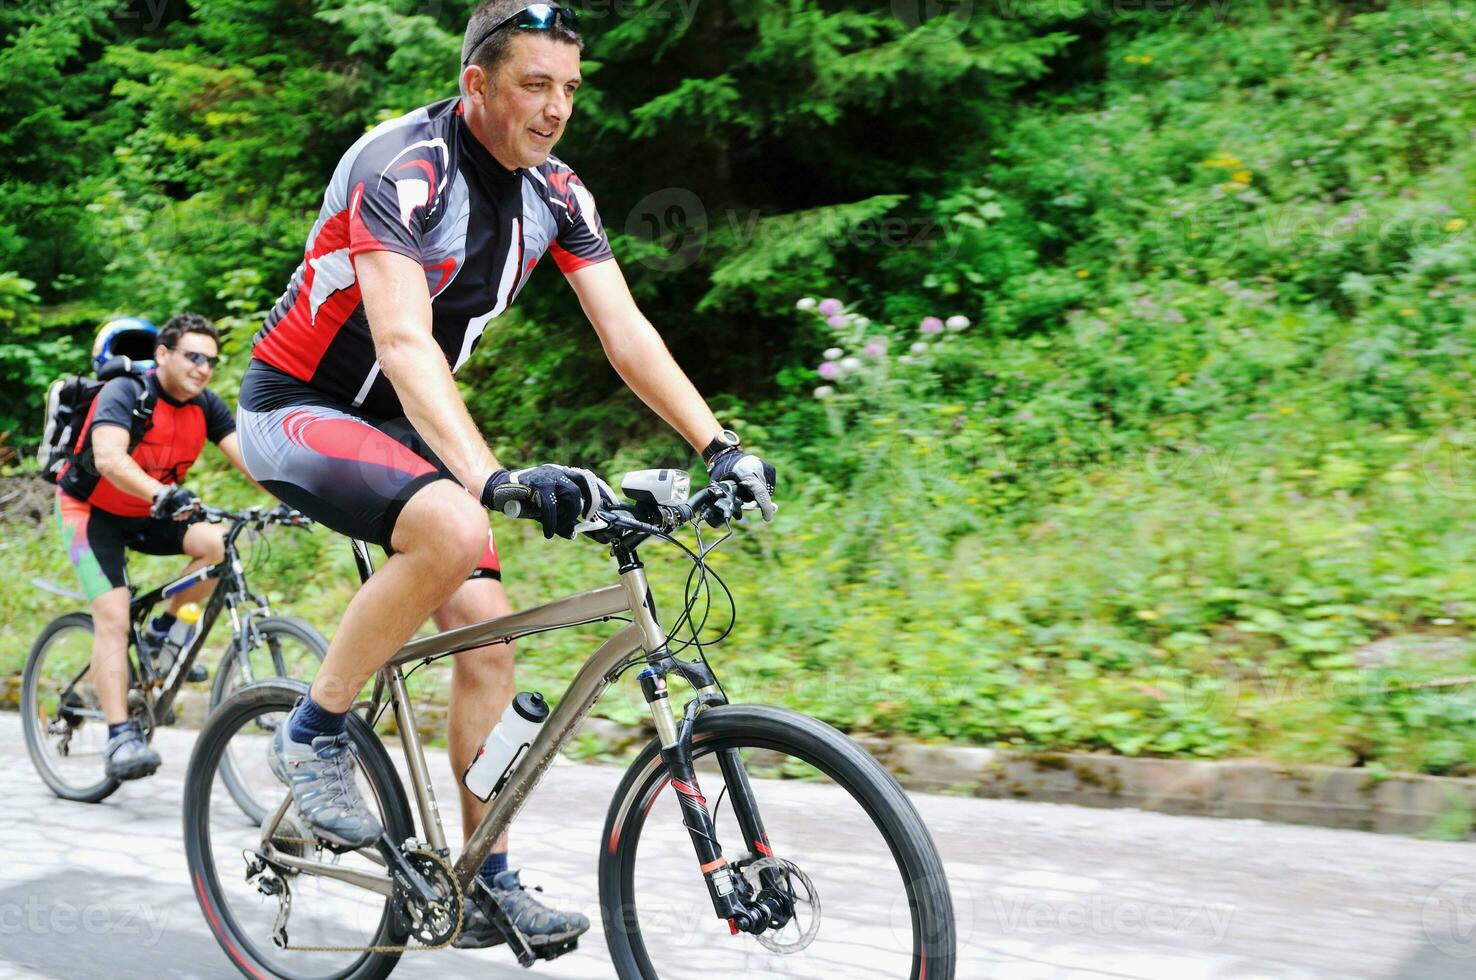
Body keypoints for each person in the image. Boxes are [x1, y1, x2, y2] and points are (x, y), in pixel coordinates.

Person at [234, 0, 777, 956]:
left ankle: (483, 876)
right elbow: (401, 339)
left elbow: (626, 333)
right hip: (300, 406)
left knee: (490, 644)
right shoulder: (402, 166)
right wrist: (488, 477)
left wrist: (718, 445)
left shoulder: (558, 194)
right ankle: (314, 733)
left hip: (407, 423)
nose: (557, 106)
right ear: (476, 84)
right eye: (535, 84)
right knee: (448, 528)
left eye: (569, 86)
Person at [56, 313, 256, 781]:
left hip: (148, 512)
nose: (203, 368)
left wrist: (304, 498)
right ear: (163, 354)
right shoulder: (126, 391)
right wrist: (163, 493)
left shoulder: (206, 406)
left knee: (215, 544)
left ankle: (162, 631)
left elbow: (254, 464)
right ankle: (120, 737)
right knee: (114, 615)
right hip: (89, 512)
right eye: (193, 356)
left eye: (210, 360)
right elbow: (107, 457)